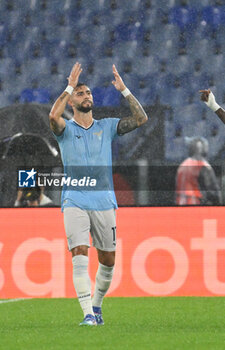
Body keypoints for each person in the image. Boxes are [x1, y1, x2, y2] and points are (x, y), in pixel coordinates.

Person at [49, 62, 148, 326]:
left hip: (104, 200)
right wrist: (70, 85)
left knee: (108, 260)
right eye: (80, 94)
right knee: (80, 253)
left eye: (88, 93)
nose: (87, 96)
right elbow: (52, 117)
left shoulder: (107, 126)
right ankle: (87, 315)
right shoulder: (66, 130)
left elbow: (141, 120)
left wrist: (124, 90)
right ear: (72, 102)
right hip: (74, 200)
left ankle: (97, 306)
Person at [175, 136, 221, 205]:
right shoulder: (203, 166)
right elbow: (213, 192)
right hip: (195, 206)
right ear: (203, 150)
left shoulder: (183, 165)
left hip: (180, 205)